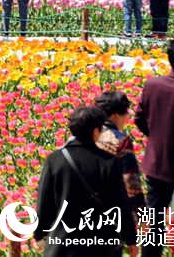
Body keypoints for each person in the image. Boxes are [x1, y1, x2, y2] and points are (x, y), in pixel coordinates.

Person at [34, 106, 138, 257]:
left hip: (63, 244)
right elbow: (120, 203)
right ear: (95, 131)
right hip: (101, 246)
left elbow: (45, 201)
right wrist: (131, 239)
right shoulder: (108, 162)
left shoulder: (55, 160)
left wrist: (40, 234)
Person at [135, 38, 174, 257]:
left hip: (156, 163)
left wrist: (158, 137)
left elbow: (139, 119)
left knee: (153, 216)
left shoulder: (152, 85)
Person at [94, 91, 146, 229]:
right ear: (116, 115)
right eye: (126, 113)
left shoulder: (84, 137)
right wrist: (142, 215)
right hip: (111, 211)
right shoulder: (119, 140)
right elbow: (131, 181)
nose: (128, 117)